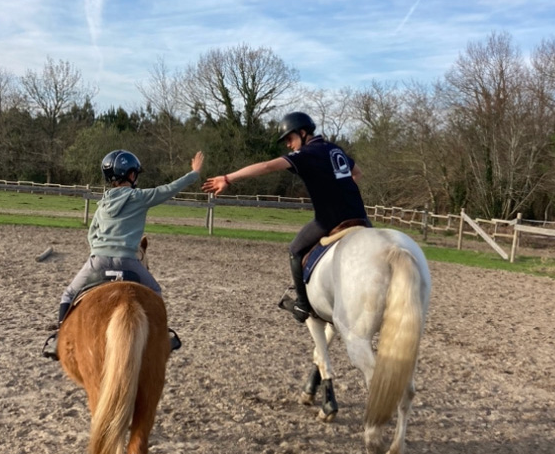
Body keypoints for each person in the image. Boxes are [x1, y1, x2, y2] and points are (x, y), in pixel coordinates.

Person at [202, 111, 370, 323]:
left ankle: (302, 304)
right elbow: (358, 173)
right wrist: (341, 188)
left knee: (295, 250)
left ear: (303, 133)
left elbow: (266, 166)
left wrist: (228, 178)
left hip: (331, 219)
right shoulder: (335, 149)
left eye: (290, 139)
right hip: (361, 218)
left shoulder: (308, 154)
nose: (288, 145)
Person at [43, 149, 204, 359]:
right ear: (130, 174)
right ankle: (163, 335)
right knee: (155, 291)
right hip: (128, 262)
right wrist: (194, 173)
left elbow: (91, 234)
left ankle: (59, 339)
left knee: (68, 295)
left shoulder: (102, 205)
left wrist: (99, 251)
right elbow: (168, 189)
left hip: (98, 262)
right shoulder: (139, 197)